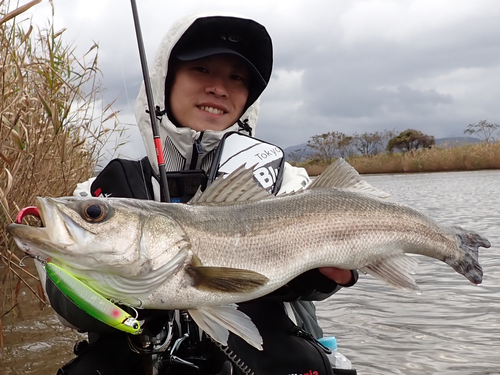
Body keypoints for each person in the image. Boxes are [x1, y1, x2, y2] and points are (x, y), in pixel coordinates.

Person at [59, 12, 358, 375]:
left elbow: (334, 276)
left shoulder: (288, 183)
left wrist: (328, 276)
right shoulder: (99, 194)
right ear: (164, 81)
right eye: (201, 69)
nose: (219, 88)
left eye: (237, 77)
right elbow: (66, 304)